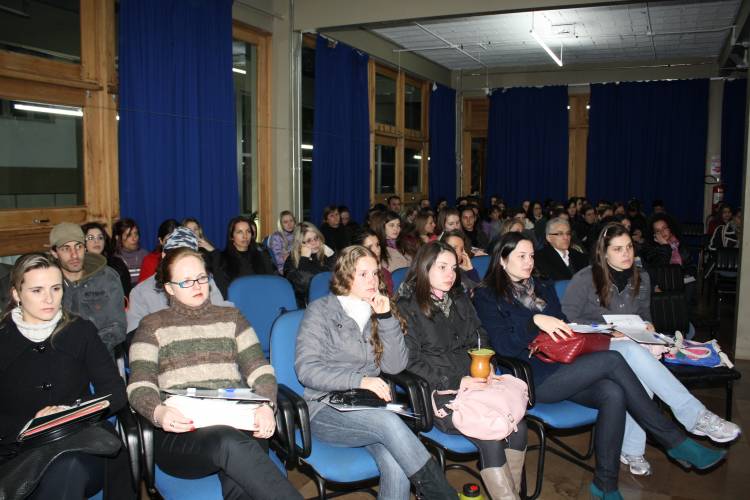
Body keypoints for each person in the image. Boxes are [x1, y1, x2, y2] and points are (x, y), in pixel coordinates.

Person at [473, 232, 727, 499]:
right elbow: (503, 347)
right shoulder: (487, 295)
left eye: (532, 256)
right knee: (613, 360)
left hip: (566, 365)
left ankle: (605, 484)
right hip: (531, 378)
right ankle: (673, 439)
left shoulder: (542, 287)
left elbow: (566, 328)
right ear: (502, 260)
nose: (529, 262)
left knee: (613, 393)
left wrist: (597, 331)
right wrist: (533, 322)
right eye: (521, 256)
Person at [561, 223, 740, 475]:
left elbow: (645, 315)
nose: (626, 253)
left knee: (639, 366)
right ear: (604, 252)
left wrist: (647, 326)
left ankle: (631, 450)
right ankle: (696, 417)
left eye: (629, 247)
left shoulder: (642, 277)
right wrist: (609, 331)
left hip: (629, 347)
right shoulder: (585, 278)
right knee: (635, 353)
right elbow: (568, 321)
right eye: (618, 249)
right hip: (593, 348)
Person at [127, 248, 300, 500]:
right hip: (182, 431)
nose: (197, 285)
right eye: (186, 281)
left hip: (237, 419)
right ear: (169, 288)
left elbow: (259, 369)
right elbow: (139, 384)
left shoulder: (232, 317)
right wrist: (158, 411)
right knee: (229, 442)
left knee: (241, 479)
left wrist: (266, 404)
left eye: (201, 277)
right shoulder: (152, 326)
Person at [295, 246, 455, 500]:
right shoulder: (321, 311)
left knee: (396, 462)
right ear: (345, 276)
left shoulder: (378, 309)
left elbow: (395, 367)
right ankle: (442, 494)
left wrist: (386, 318)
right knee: (389, 423)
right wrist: (359, 380)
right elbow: (307, 370)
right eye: (363, 274)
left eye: (375, 274)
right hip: (325, 408)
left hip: (368, 407)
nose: (372, 280)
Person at [397, 241, 527, 499]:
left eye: (454, 268)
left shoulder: (459, 297)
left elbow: (480, 336)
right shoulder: (405, 306)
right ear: (424, 268)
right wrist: (459, 380)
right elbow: (410, 363)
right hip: (439, 393)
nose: (450, 274)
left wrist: (486, 362)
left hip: (477, 384)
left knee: (518, 427)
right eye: (442, 267)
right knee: (491, 436)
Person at [0, 253, 135, 500]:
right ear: (17, 294)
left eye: (56, 288)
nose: (49, 299)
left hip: (79, 441)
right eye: (37, 290)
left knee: (69, 467)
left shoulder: (80, 331)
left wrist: (68, 412)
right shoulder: (3, 339)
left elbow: (115, 392)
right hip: (19, 451)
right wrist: (30, 425)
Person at [126, 227, 231, 339]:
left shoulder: (205, 282)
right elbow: (136, 338)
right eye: (176, 257)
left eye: (188, 257)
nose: (182, 263)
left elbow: (224, 319)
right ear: (164, 256)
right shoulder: (141, 292)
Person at [49, 223, 126, 355]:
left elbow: (117, 327)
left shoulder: (106, 277)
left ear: (85, 247)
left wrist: (87, 350)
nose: (74, 255)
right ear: (54, 253)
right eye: (66, 249)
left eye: (78, 246)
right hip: (58, 357)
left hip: (100, 355)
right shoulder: (47, 282)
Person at [219, 215, 277, 296]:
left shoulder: (262, 256)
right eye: (240, 232)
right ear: (231, 236)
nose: (245, 236)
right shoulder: (222, 259)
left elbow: (272, 282)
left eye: (248, 231)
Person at [283, 222, 336, 307]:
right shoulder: (291, 261)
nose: (314, 243)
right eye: (308, 240)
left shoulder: (325, 254)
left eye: (316, 238)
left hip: (329, 301)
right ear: (300, 244)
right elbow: (303, 284)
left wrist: (332, 255)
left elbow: (334, 278)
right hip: (307, 306)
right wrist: (304, 259)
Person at [81, 221, 132, 296]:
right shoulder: (78, 266)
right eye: (91, 238)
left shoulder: (117, 264)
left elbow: (125, 293)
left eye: (100, 237)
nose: (96, 241)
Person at [352, 228, 394, 295]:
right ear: (358, 251)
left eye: (377, 245)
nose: (377, 250)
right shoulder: (352, 276)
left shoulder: (385, 273)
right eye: (369, 248)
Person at [138, 218, 179, 283]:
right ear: (160, 240)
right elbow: (143, 287)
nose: (173, 244)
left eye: (176, 240)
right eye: (168, 240)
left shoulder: (188, 259)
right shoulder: (149, 261)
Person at [112, 218, 149, 286]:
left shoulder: (145, 255)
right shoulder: (114, 259)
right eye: (128, 235)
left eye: (135, 233)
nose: (134, 238)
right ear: (118, 237)